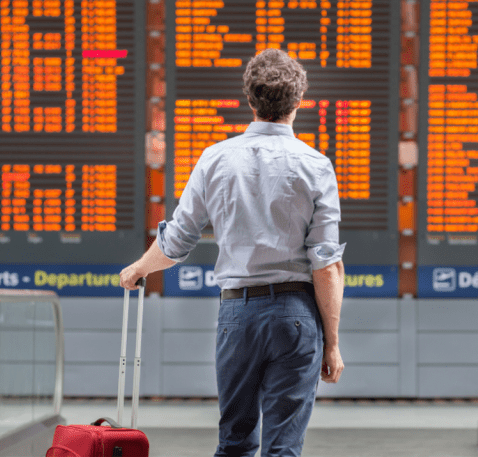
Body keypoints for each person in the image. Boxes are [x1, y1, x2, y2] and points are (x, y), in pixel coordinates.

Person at [119, 48, 345, 456]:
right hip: (296, 317)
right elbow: (327, 266)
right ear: (298, 102)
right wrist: (331, 343)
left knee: (235, 443)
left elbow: (176, 242)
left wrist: (138, 268)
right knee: (284, 448)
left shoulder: (215, 159)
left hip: (237, 316)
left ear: (250, 99)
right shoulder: (316, 165)